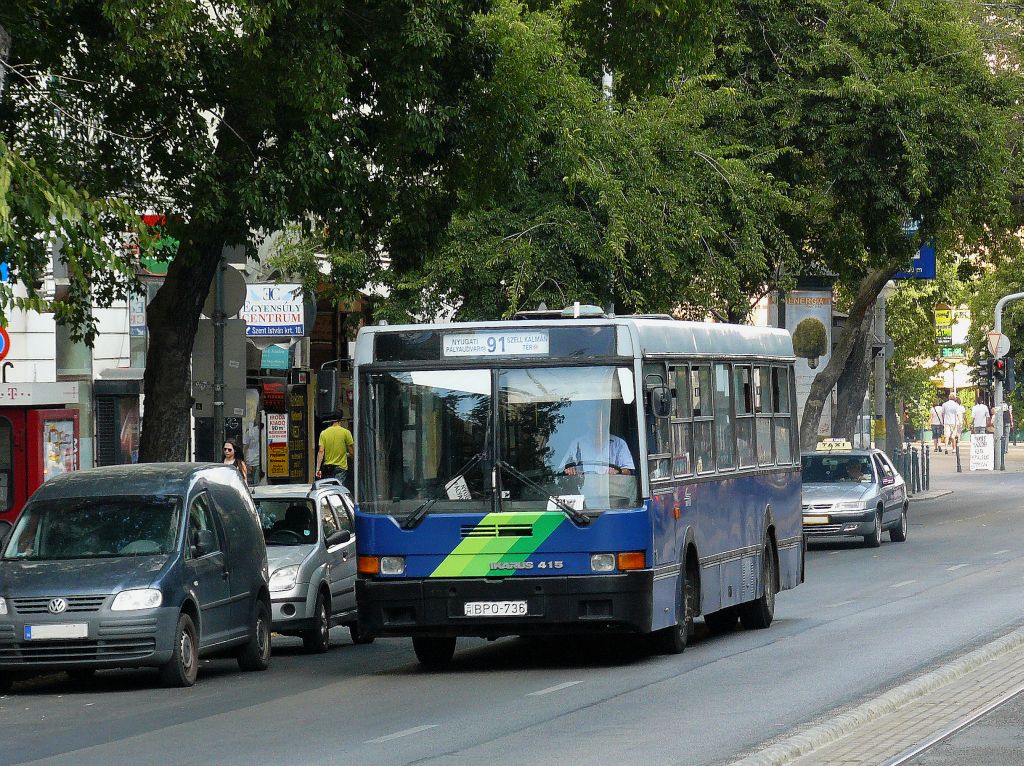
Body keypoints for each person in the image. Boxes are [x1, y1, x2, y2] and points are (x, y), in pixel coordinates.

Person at [316, 415, 354, 483]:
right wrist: (353, 460)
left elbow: (321, 451)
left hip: (328, 467)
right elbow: (351, 451)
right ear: (339, 422)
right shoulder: (346, 432)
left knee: (329, 489)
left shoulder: (323, 433)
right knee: (339, 489)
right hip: (341, 467)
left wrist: (318, 469)